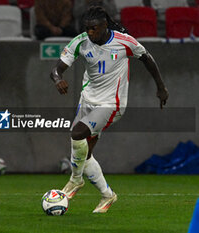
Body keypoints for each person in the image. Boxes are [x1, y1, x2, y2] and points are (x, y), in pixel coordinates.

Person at [50, 6, 169, 213]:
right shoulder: (80, 41)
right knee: (83, 154)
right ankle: (107, 195)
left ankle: (75, 181)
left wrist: (161, 87)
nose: (90, 33)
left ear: (105, 26)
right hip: (87, 101)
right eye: (87, 28)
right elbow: (56, 69)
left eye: (94, 28)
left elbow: (147, 58)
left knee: (77, 133)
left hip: (112, 104)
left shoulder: (124, 41)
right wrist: (58, 79)